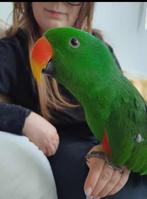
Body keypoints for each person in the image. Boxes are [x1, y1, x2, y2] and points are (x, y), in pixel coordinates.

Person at [0, 2, 146, 199]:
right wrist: (25, 118)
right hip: (60, 152)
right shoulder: (11, 50)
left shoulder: (101, 48)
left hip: (104, 149)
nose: (58, 3)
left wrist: (116, 154)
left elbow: (125, 116)